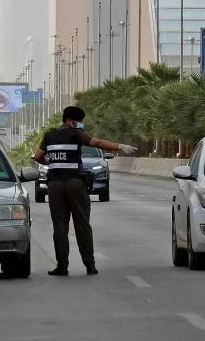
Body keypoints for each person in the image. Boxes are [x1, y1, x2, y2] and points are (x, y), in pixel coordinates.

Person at [33, 105, 137, 276]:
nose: (81, 125)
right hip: (75, 183)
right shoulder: (76, 134)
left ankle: (62, 266)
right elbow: (97, 142)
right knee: (82, 225)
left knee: (60, 226)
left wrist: (53, 165)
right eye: (80, 122)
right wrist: (120, 146)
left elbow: (38, 157)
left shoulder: (49, 135)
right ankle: (90, 265)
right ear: (71, 121)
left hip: (55, 185)